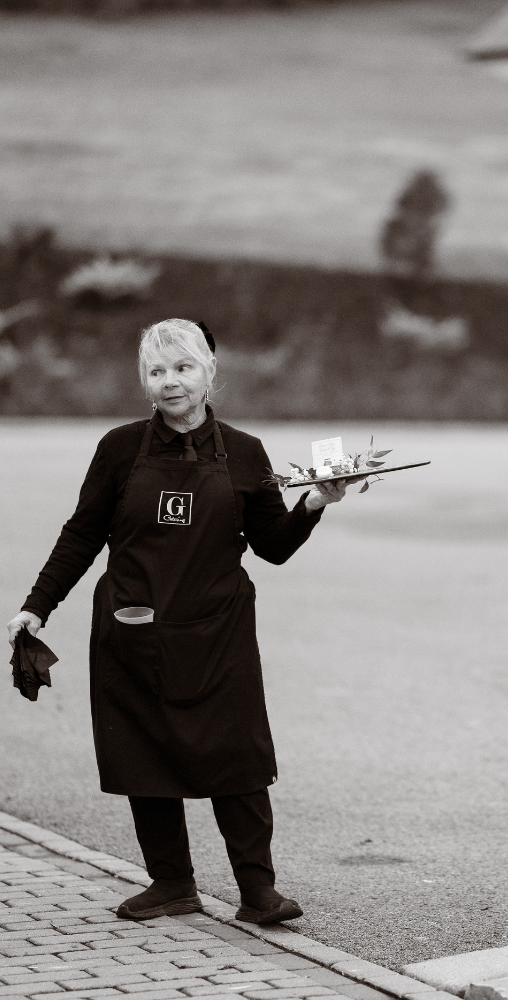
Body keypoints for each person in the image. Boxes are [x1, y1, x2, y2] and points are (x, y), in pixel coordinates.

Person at [6, 318, 355, 924]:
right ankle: (171, 884)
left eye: (182, 367)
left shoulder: (245, 452)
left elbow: (271, 544)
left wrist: (316, 502)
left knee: (238, 759)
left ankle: (258, 893)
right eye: (156, 370)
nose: (169, 382)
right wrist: (36, 606)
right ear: (144, 379)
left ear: (209, 372)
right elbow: (83, 533)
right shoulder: (119, 448)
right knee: (145, 755)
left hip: (218, 633)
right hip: (131, 628)